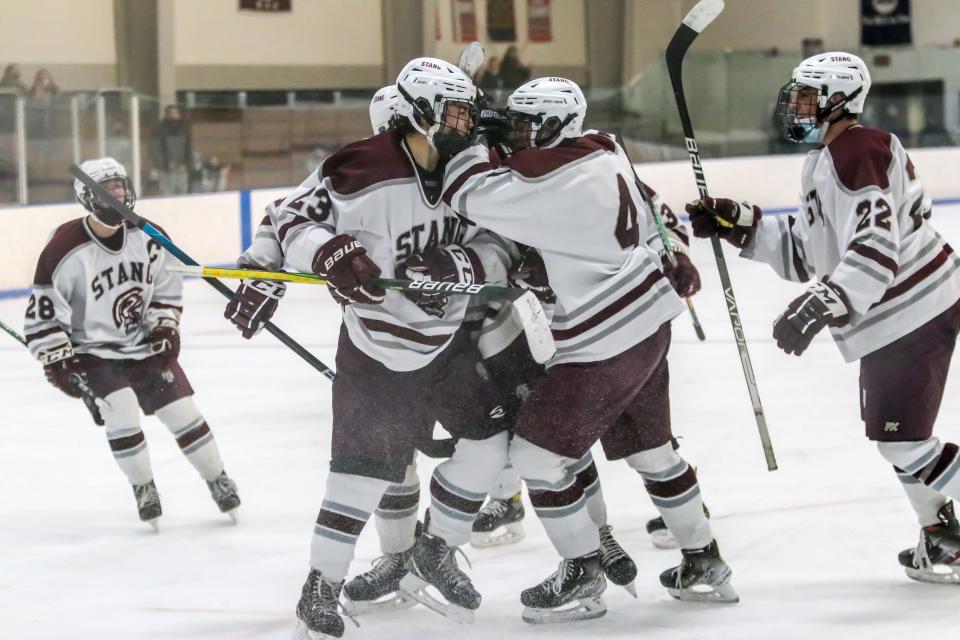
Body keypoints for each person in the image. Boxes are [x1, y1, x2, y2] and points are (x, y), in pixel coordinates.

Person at [228, 58, 516, 638]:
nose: (469, 121)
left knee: (490, 445)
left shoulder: (474, 167)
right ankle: (321, 586)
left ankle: (434, 548)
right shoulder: (359, 167)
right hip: (375, 349)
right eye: (457, 111)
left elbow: (507, 240)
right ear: (422, 113)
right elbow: (289, 220)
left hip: (449, 344)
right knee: (362, 474)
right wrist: (323, 254)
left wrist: (462, 262)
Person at [442, 77, 735, 623]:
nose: (519, 134)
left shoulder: (555, 179)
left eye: (528, 125)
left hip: (604, 340)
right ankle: (703, 560)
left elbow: (469, 195)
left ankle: (582, 574)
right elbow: (653, 210)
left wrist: (469, 147)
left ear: (557, 128)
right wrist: (670, 250)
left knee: (536, 456)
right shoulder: (604, 148)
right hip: (648, 318)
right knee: (653, 452)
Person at [687, 51, 960, 585]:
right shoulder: (825, 157)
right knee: (897, 435)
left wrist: (822, 303)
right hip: (894, 314)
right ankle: (943, 540)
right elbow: (811, 253)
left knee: (901, 441)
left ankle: (943, 539)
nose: (796, 107)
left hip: (912, 309)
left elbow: (875, 245)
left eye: (808, 97)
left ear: (840, 101)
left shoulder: (858, 150)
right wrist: (739, 224)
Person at [23, 157, 240, 530]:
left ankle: (217, 478)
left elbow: (167, 289)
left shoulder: (151, 235)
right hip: (93, 352)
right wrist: (57, 357)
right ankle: (144, 487)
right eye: (109, 190)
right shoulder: (63, 249)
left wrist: (164, 327)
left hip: (142, 345)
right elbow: (43, 314)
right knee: (121, 411)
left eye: (121, 186)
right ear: (87, 198)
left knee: (183, 413)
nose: (119, 194)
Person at [150, 105, 192, 195]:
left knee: (182, 194)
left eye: (175, 113)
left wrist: (186, 164)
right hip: (166, 171)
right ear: (166, 115)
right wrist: (165, 164)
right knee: (167, 194)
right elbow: (154, 150)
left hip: (181, 170)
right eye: (170, 113)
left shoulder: (185, 129)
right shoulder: (159, 130)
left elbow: (189, 149)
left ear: (179, 115)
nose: (173, 116)